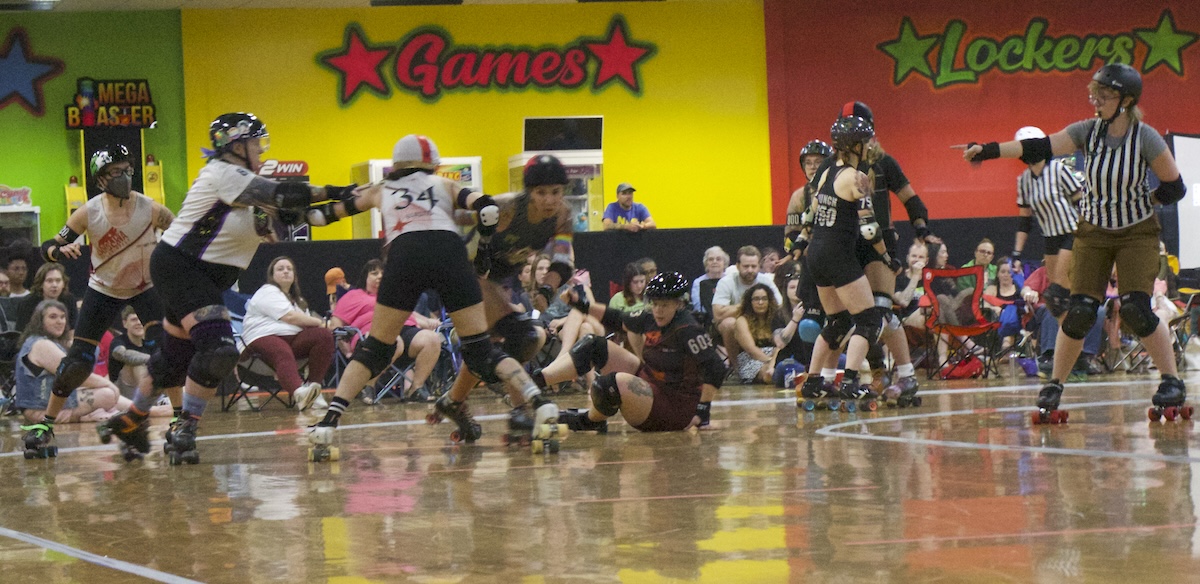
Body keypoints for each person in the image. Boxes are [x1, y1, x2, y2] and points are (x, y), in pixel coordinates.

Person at [98, 112, 345, 463]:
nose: (261, 151)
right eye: (256, 144)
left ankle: (131, 420)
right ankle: (185, 428)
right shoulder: (224, 174)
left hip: (196, 273)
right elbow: (285, 195)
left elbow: (302, 216)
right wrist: (342, 190)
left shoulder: (246, 188)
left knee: (172, 359)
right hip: (184, 266)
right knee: (219, 351)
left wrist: (358, 201)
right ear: (237, 146)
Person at [303, 135, 561, 455]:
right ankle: (539, 402)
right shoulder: (443, 184)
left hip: (405, 255)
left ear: (396, 164)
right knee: (481, 349)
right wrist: (481, 251)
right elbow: (488, 208)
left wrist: (295, 212)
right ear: (433, 164)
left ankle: (328, 422)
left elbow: (321, 217)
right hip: (449, 254)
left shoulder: (381, 189)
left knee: (376, 349)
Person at [959, 63, 1188, 420]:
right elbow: (1038, 146)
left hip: (1136, 232)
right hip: (1093, 231)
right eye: (1094, 93)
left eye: (1104, 95)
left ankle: (1171, 380)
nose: (1095, 101)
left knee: (1135, 309)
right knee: (1079, 309)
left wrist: (1146, 200)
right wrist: (986, 149)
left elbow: (1175, 188)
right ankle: (1054, 384)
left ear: (1126, 101)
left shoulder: (1146, 138)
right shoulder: (1087, 131)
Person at [22, 144, 180, 459]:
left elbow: (179, 235)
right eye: (115, 172)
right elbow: (49, 246)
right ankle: (46, 424)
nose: (123, 176)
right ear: (101, 179)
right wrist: (59, 251)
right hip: (103, 289)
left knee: (164, 355)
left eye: (126, 169)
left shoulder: (150, 208)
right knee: (77, 361)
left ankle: (179, 420)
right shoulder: (89, 211)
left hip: (144, 287)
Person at [531, 272, 726, 431]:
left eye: (664, 305)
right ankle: (535, 383)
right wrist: (581, 305)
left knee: (609, 384)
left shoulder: (687, 329)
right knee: (594, 345)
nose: (658, 310)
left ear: (679, 304)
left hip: (674, 406)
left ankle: (588, 420)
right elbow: (616, 318)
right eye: (655, 303)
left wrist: (702, 412)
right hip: (653, 383)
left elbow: (716, 368)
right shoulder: (652, 316)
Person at [796, 114, 891, 410]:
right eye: (866, 141)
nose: (869, 146)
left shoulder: (826, 170)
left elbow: (810, 213)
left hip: (817, 253)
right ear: (856, 145)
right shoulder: (857, 178)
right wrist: (888, 257)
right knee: (869, 319)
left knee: (837, 322)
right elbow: (870, 228)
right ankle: (850, 381)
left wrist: (801, 239)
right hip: (838, 253)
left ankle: (812, 382)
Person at [16, 301, 168, 457]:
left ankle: (141, 410)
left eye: (62, 317)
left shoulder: (44, 342)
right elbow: (74, 374)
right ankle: (144, 410)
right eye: (53, 317)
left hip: (44, 403)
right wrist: (110, 385)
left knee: (105, 392)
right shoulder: (41, 344)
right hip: (40, 409)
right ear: (40, 321)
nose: (60, 321)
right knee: (107, 394)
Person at [240, 256, 335, 411]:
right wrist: (321, 322)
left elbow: (303, 322)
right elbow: (290, 317)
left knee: (324, 336)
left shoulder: (298, 301)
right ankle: (300, 394)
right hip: (261, 339)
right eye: (280, 269)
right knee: (281, 349)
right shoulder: (267, 291)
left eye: (289, 269)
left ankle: (313, 390)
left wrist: (324, 327)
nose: (285, 271)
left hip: (292, 340)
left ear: (294, 276)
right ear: (272, 275)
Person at [1009, 126, 1084, 316]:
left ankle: (1080, 336)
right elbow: (1025, 221)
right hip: (1050, 238)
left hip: (1072, 232)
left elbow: (1081, 202)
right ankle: (1065, 341)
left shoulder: (1058, 170)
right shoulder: (1024, 180)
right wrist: (1017, 253)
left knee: (1060, 291)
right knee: (1054, 300)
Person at [712, 246, 782, 363]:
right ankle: (736, 367)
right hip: (734, 325)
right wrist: (748, 304)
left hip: (762, 322)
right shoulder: (726, 282)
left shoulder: (765, 281)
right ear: (738, 266)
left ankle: (776, 361)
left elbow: (779, 305)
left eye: (754, 266)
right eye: (746, 266)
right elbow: (718, 314)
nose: (750, 270)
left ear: (759, 266)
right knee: (729, 323)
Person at [733, 283, 784, 384]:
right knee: (768, 372)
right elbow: (751, 349)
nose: (760, 302)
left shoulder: (776, 318)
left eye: (764, 299)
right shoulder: (742, 321)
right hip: (751, 359)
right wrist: (770, 362)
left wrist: (774, 361)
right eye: (756, 299)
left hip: (775, 358)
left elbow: (781, 344)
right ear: (750, 302)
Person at [14, 263, 78, 334]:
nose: (54, 285)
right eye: (49, 281)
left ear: (63, 283)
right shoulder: (27, 303)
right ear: (41, 284)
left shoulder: (69, 300)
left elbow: (72, 330)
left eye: (58, 280)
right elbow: (21, 332)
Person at [109, 307, 154, 398]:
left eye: (140, 319)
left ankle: (164, 400)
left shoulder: (149, 343)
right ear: (125, 323)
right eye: (134, 320)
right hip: (120, 390)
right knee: (137, 365)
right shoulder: (119, 340)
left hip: (147, 386)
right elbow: (119, 353)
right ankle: (145, 403)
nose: (138, 323)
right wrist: (152, 359)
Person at [691, 246, 728, 318]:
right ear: (706, 264)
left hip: (727, 316)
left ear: (724, 263)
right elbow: (698, 307)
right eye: (711, 259)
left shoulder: (730, 280)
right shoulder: (698, 282)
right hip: (706, 318)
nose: (715, 262)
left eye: (718, 259)